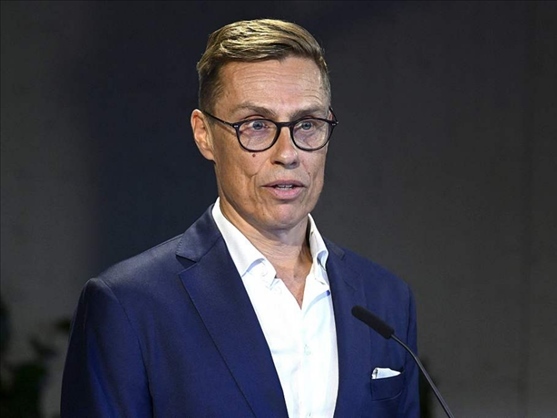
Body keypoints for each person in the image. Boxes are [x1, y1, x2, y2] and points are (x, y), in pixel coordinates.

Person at [61, 18, 419, 417]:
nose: (288, 153)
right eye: (257, 125)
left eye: (307, 124)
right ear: (204, 134)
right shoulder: (129, 304)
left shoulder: (386, 299)